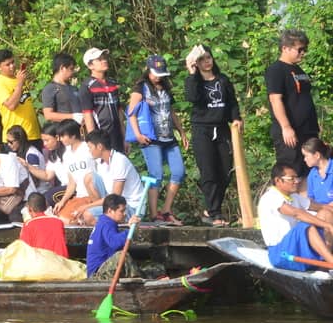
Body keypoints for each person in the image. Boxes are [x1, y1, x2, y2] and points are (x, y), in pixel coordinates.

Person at [185, 45, 241, 227]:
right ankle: (213, 212)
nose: (206, 62)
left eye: (208, 58)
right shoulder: (194, 81)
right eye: (201, 59)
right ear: (196, 63)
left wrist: (236, 118)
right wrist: (192, 73)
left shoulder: (223, 80)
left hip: (222, 128)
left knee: (225, 171)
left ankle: (212, 208)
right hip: (202, 130)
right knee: (208, 171)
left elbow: (232, 102)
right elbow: (192, 98)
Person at [127, 55, 185, 224]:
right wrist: (137, 134)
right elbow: (132, 113)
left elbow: (171, 111)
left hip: (168, 136)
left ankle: (166, 209)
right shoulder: (140, 88)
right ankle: (154, 215)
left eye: (160, 73)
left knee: (178, 171)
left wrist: (180, 130)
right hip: (150, 137)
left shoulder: (165, 87)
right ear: (148, 70)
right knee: (156, 174)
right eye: (155, 73)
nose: (158, 76)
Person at [257, 163, 333, 271]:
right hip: (281, 253)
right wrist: (328, 226)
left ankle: (324, 262)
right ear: (278, 181)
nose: (296, 181)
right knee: (304, 226)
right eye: (291, 178)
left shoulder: (294, 197)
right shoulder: (270, 197)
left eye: (296, 178)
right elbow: (297, 213)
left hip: (297, 247)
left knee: (326, 213)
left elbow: (321, 207)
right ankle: (331, 261)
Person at [266, 29, 319, 181]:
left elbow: (303, 98)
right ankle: (290, 204)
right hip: (291, 132)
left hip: (307, 130)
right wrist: (286, 127)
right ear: (285, 48)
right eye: (300, 49)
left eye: (305, 49)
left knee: (310, 172)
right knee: (292, 173)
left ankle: (307, 204)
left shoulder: (299, 70)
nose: (303, 53)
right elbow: (276, 100)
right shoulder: (276, 70)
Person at [88, 129, 147, 218]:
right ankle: (103, 215)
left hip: (130, 207)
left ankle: (107, 224)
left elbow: (115, 197)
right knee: (89, 178)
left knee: (88, 214)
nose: (89, 151)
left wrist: (86, 207)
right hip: (113, 203)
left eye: (90, 147)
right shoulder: (100, 163)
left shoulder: (119, 160)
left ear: (100, 146)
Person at [51, 121, 101, 225]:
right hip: (79, 196)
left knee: (67, 220)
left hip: (93, 194)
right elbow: (71, 183)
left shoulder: (88, 148)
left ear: (73, 135)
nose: (60, 139)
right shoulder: (66, 155)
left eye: (63, 136)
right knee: (58, 218)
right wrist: (62, 201)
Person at [0, 49, 41, 145]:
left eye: (13, 62)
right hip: (16, 138)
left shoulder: (18, 79)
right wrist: (20, 83)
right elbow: (11, 105)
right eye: (7, 64)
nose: (12, 66)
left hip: (33, 134)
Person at [79, 48, 125, 153]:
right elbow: (88, 115)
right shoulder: (87, 86)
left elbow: (119, 112)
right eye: (99, 59)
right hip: (102, 136)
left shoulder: (112, 83)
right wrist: (94, 141)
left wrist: (124, 136)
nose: (104, 61)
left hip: (117, 135)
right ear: (90, 66)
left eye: (104, 58)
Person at [85, 193, 133, 278]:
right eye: (121, 211)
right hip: (97, 273)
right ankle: (138, 281)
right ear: (110, 211)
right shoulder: (106, 223)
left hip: (102, 269)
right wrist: (130, 230)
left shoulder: (104, 222)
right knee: (121, 255)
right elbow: (115, 243)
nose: (124, 214)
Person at [38, 53, 85, 129]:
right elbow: (48, 115)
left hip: (78, 131)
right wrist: (72, 117)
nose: (73, 72)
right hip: (63, 132)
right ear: (62, 68)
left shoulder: (74, 89)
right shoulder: (50, 88)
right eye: (71, 69)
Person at [19, 193, 68, 258]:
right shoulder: (58, 222)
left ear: (29, 209)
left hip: (43, 263)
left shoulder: (28, 224)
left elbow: (24, 250)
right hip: (62, 261)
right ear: (46, 207)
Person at [304, 138, 333, 213]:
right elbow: (311, 198)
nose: (304, 159)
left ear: (317, 155)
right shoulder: (312, 174)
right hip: (319, 211)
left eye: (306, 156)